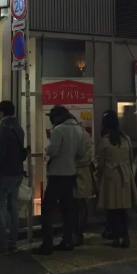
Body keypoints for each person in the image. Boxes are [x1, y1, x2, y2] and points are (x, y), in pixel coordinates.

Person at [32, 105, 85, 255]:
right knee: (68, 210)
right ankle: (68, 240)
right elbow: (81, 153)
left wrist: (46, 150)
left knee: (47, 209)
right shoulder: (78, 129)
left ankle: (47, 243)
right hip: (71, 174)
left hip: (57, 174)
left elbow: (53, 151)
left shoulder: (59, 130)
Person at [96, 110, 137, 248]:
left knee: (112, 209)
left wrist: (99, 175)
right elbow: (131, 157)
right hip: (125, 175)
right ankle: (125, 236)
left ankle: (115, 237)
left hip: (110, 176)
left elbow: (101, 163)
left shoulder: (104, 141)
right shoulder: (125, 139)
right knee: (123, 209)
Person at [0, 101, 26, 255]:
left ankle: (3, 244)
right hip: (17, 172)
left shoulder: (4, 128)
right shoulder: (18, 127)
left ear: (1, 112)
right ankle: (13, 242)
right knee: (13, 208)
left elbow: (0, 152)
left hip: (5, 173)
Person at [73, 121, 94, 247]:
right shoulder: (85, 134)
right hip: (83, 173)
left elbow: (80, 156)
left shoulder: (78, 135)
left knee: (79, 204)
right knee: (81, 203)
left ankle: (78, 233)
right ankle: (78, 233)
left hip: (78, 173)